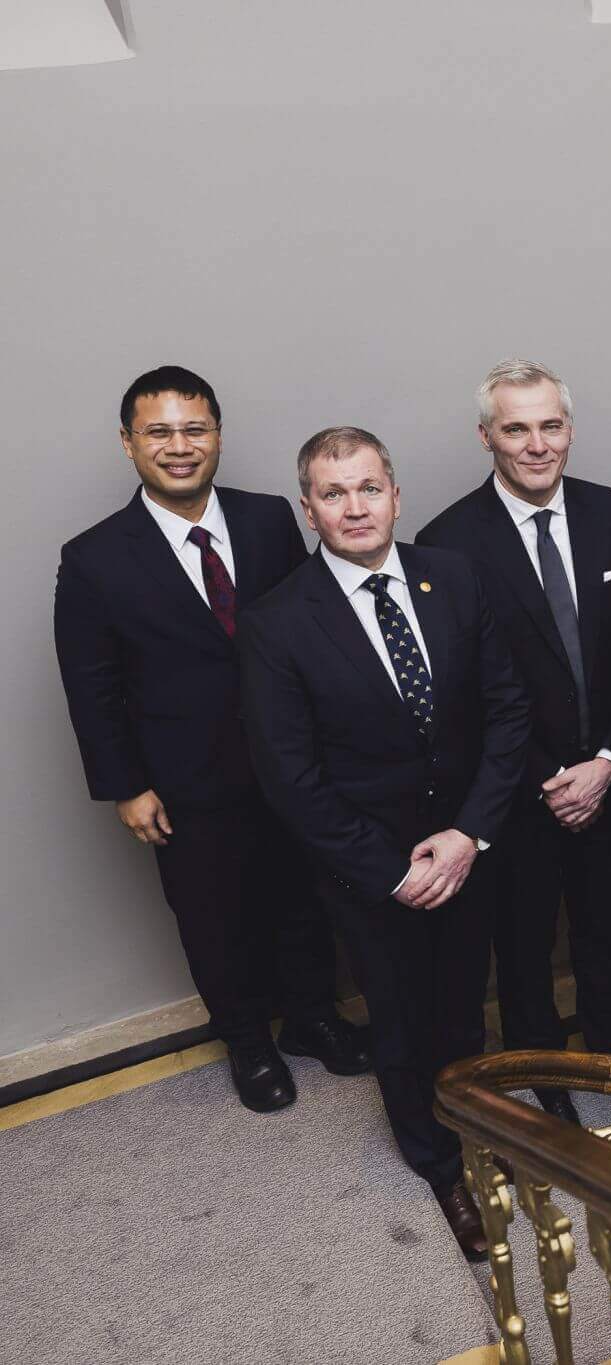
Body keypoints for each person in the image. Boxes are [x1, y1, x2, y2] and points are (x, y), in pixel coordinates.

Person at [240, 427, 529, 1261]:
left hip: (468, 848)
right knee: (401, 1023)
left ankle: (476, 1126)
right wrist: (392, 872)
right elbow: (291, 779)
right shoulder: (277, 623)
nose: (355, 506)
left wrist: (470, 834)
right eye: (334, 494)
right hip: (371, 874)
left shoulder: (455, 576)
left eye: (369, 488)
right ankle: (438, 1163)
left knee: (464, 1007)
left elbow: (507, 710)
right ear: (309, 511)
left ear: (395, 496)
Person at [54, 366, 365, 1113]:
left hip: (290, 760)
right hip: (183, 778)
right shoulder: (94, 557)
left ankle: (313, 1018)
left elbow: (310, 624)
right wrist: (127, 785)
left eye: (194, 428)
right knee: (213, 919)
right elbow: (90, 685)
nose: (179, 445)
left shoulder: (267, 519)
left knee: (303, 898)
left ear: (217, 435)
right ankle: (248, 1043)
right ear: (128, 442)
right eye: (158, 431)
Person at [415, 360, 611, 1124]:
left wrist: (608, 762)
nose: (536, 443)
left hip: (610, 778)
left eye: (549, 425)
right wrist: (548, 777)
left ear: (570, 429)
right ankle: (545, 1082)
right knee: (523, 946)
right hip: (516, 793)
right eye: (516, 428)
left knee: (607, 932)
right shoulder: (447, 542)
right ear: (485, 436)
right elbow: (461, 693)